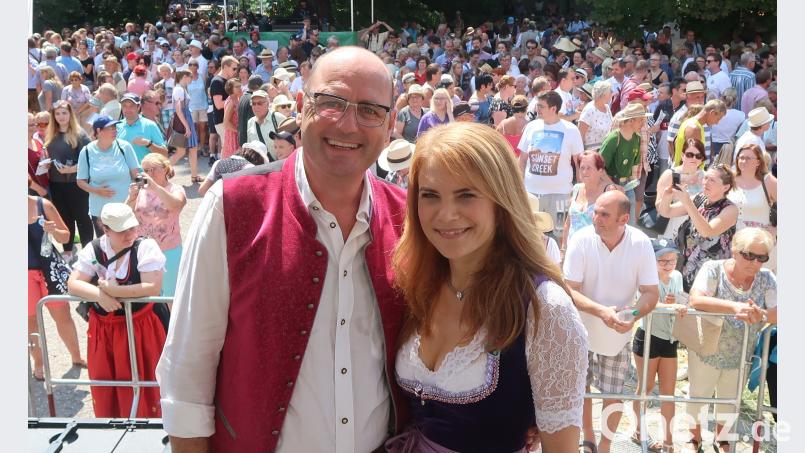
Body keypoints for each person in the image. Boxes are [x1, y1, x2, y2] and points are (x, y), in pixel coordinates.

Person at [157, 46, 413, 452]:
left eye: (370, 110)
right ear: (301, 105)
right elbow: (188, 368)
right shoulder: (232, 205)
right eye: (331, 103)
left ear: (390, 123)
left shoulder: (407, 218)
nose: (348, 125)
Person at [387, 121, 587, 452]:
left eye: (466, 195)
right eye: (430, 195)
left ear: (501, 200)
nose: (446, 214)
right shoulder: (417, 284)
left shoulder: (545, 308)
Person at [563, 190, 660, 453]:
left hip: (617, 337)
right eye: (595, 211)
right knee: (580, 391)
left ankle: (605, 446)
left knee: (612, 395)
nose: (596, 218)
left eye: (604, 214)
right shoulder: (581, 240)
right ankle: (588, 439)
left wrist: (633, 316)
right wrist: (603, 312)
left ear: (624, 218)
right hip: (579, 333)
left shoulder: (640, 243)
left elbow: (651, 293)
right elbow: (568, 289)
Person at [67, 202, 166, 418]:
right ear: (106, 229)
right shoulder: (94, 248)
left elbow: (152, 287)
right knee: (108, 382)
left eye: (132, 227)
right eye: (122, 230)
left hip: (141, 326)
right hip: (106, 331)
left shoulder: (145, 247)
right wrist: (100, 296)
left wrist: (114, 291)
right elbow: (73, 283)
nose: (130, 234)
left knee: (145, 379)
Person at [687, 228, 777, 453]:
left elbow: (778, 310)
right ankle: (693, 439)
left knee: (730, 399)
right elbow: (696, 299)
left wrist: (763, 315)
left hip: (740, 352)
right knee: (699, 395)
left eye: (761, 257)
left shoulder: (767, 278)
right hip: (706, 348)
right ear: (734, 251)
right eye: (748, 255)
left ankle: (723, 439)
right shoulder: (713, 269)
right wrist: (736, 307)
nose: (754, 262)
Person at [630, 239, 688, 453]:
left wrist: (678, 305)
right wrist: (670, 306)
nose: (667, 264)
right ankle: (638, 431)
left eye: (672, 259)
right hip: (648, 336)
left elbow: (680, 302)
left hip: (669, 339)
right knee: (645, 388)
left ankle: (669, 441)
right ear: (651, 260)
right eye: (662, 260)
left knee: (668, 393)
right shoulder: (645, 278)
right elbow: (644, 304)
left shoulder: (678, 277)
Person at [27, 186, 86, 381]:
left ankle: (76, 357)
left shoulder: (43, 205)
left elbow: (66, 236)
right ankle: (39, 362)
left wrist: (54, 230)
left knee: (62, 315)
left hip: (49, 270)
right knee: (29, 321)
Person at [658, 164, 738, 291]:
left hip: (713, 274)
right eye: (705, 178)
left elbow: (707, 231)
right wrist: (667, 197)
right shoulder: (699, 198)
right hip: (687, 269)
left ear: (726, 187)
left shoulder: (730, 209)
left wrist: (687, 202)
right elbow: (666, 212)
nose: (706, 182)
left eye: (712, 180)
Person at [518, 90, 584, 239]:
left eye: (541, 106)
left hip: (561, 195)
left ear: (553, 109)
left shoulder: (571, 130)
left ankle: (558, 261)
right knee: (529, 235)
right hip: (531, 194)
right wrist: (518, 186)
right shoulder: (531, 127)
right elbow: (522, 160)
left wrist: (581, 191)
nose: (537, 109)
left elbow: (579, 163)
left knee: (560, 233)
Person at [126, 153, 186, 297]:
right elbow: (125, 215)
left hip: (169, 251)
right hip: (142, 251)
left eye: (153, 169)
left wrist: (155, 187)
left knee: (170, 296)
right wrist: (131, 198)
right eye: (146, 170)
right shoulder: (140, 191)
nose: (149, 174)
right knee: (148, 297)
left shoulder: (175, 189)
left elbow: (176, 206)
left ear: (165, 169)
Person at [77, 116, 141, 236]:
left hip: (126, 208)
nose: (114, 130)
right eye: (110, 128)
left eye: (115, 127)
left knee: (128, 245)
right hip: (100, 212)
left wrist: (140, 190)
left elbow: (137, 175)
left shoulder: (124, 147)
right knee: (105, 249)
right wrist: (96, 191)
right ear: (98, 131)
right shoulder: (86, 151)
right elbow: (80, 181)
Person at [44, 100, 93, 256]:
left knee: (83, 218)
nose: (61, 117)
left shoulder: (80, 134)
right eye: (57, 113)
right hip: (56, 184)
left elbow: (90, 159)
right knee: (64, 219)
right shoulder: (51, 134)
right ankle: (67, 251)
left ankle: (88, 253)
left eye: (64, 112)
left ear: (70, 114)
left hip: (76, 184)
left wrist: (71, 169)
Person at [599, 103, 652, 224]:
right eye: (641, 120)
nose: (643, 124)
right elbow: (598, 168)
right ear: (630, 121)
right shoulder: (613, 138)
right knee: (611, 223)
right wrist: (611, 185)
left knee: (630, 223)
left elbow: (634, 165)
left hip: (627, 185)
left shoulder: (637, 138)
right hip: (610, 186)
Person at [728, 144, 777, 271]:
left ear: (758, 161)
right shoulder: (730, 179)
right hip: (733, 243)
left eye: (748, 158)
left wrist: (775, 229)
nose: (743, 161)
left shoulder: (768, 181)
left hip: (760, 244)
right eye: (741, 157)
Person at [561, 151, 617, 254]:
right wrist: (564, 249)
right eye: (582, 168)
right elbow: (568, 223)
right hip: (573, 251)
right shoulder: (576, 189)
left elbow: (614, 226)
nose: (584, 172)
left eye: (589, 168)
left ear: (600, 170)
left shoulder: (608, 191)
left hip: (597, 253)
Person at [656, 139, 706, 242]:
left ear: (702, 159)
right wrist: (668, 197)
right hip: (673, 226)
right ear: (683, 155)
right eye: (689, 154)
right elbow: (658, 206)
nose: (694, 158)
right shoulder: (670, 174)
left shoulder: (705, 177)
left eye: (698, 156)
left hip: (696, 229)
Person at [196, 141, 269, 198]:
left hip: (215, 203)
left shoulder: (218, 162)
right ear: (260, 159)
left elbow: (202, 190)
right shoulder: (251, 169)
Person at [167, 69, 200, 182]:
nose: (191, 79)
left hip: (185, 119)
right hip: (183, 120)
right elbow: (178, 110)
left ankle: (194, 176)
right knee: (182, 151)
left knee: (192, 149)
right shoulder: (179, 89)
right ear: (185, 76)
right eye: (190, 77)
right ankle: (161, 172)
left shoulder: (180, 89)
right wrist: (186, 126)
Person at [578, 80, 613, 151]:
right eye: (610, 91)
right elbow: (580, 135)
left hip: (606, 150)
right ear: (604, 94)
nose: (612, 93)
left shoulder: (607, 107)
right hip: (592, 153)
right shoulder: (589, 109)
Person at [221, 78, 242, 158]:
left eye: (240, 86)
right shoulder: (231, 102)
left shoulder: (236, 99)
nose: (240, 88)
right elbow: (226, 123)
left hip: (235, 132)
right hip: (232, 134)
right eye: (237, 87)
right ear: (230, 89)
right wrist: (238, 131)